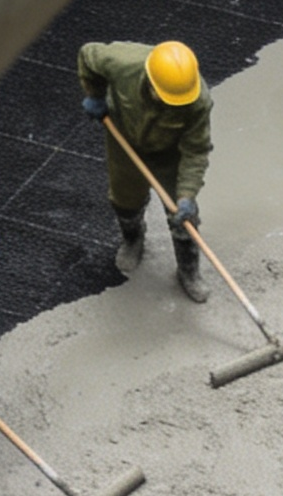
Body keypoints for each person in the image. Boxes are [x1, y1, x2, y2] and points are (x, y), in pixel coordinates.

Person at [78, 39, 214, 302]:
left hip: (169, 152)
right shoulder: (122, 62)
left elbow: (196, 151)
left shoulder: (196, 101)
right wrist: (94, 94)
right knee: (124, 200)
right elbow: (87, 55)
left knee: (183, 218)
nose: (173, 106)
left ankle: (188, 272)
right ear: (150, 83)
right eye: (167, 100)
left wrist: (186, 195)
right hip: (124, 140)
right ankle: (133, 239)